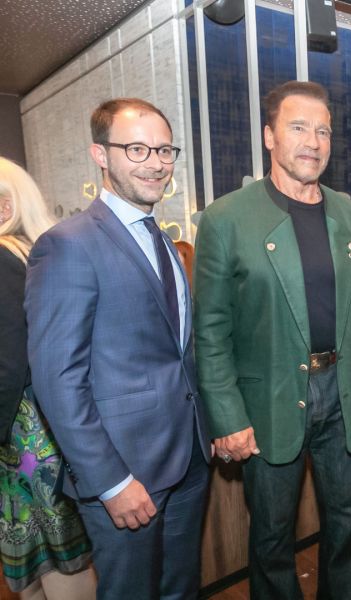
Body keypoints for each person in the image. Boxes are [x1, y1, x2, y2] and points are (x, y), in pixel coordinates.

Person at [193, 80, 351, 600]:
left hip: (344, 393)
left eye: (323, 131)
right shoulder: (225, 219)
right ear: (269, 136)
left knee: (347, 523)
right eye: (298, 127)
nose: (313, 141)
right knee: (272, 536)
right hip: (268, 400)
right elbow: (210, 332)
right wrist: (227, 416)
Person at [25, 98, 211, 600]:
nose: (156, 162)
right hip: (126, 471)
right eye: (137, 149)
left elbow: (177, 353)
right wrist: (110, 482)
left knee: (181, 589)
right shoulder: (67, 244)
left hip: (189, 457)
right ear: (100, 155)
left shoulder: (165, 241)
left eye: (165, 150)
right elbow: (57, 380)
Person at [0, 158, 95, 599]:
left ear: (5, 205)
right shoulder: (34, 250)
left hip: (23, 432)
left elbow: (9, 360)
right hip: (49, 421)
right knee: (54, 549)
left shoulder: (3, 256)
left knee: (54, 553)